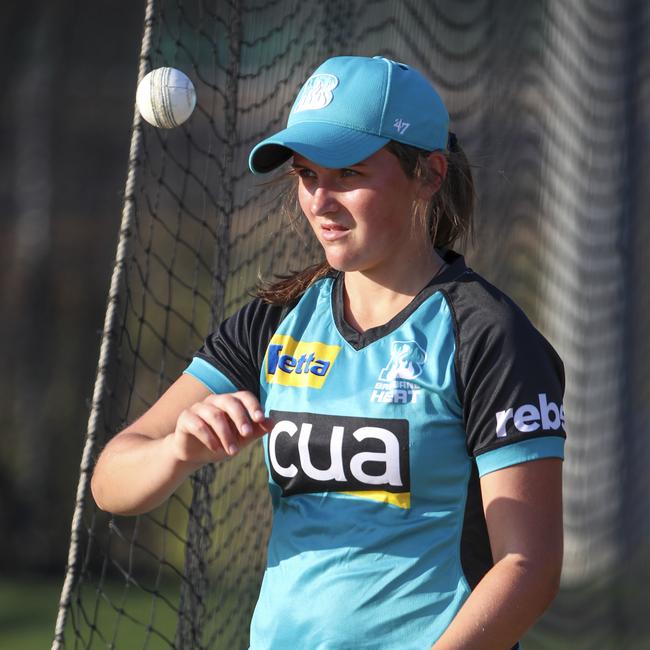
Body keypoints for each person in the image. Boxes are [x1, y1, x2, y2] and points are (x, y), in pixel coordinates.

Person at [91, 56, 565, 650]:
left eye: (347, 174)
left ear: (430, 173)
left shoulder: (487, 334)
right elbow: (111, 481)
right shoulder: (276, 320)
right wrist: (177, 450)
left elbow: (529, 568)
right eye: (307, 174)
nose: (319, 200)